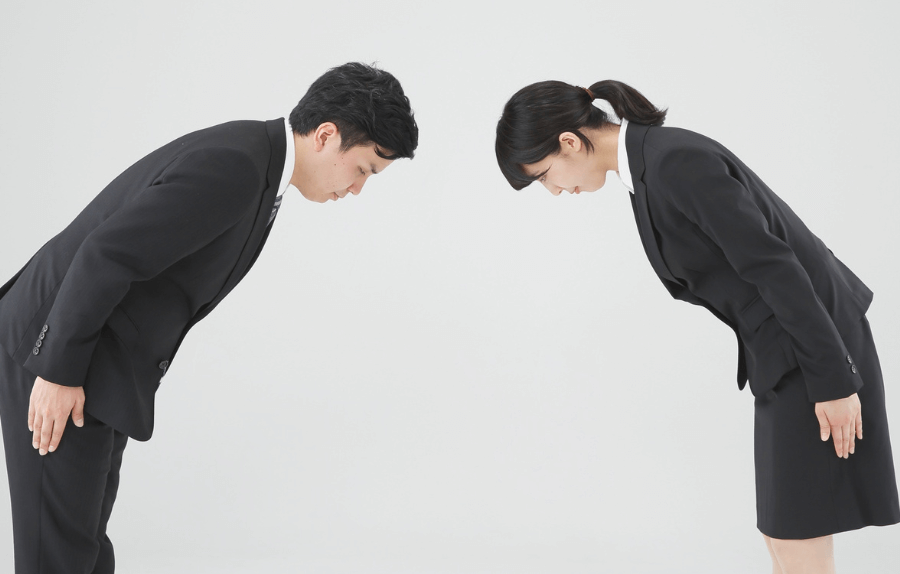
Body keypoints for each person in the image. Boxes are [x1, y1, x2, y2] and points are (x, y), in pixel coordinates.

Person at [0, 62, 418, 574]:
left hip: (98, 368)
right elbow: (106, 254)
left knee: (83, 549)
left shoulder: (259, 168)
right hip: (57, 358)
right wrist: (58, 372)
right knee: (58, 557)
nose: (356, 190)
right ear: (326, 136)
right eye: (363, 170)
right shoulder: (236, 166)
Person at [494, 80, 899, 573]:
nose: (555, 190)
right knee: (783, 533)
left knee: (799, 537)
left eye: (544, 176)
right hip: (785, 353)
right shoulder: (649, 167)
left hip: (816, 348)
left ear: (569, 143)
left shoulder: (673, 162)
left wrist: (835, 381)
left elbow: (775, 265)